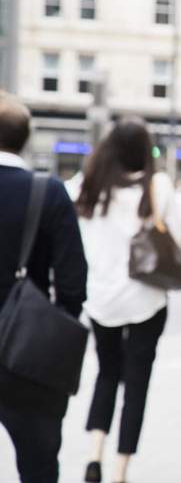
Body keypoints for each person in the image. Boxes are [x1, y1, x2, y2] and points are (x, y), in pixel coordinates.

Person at [74, 117, 181, 483]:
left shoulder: (87, 185)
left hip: (101, 299)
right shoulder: (157, 185)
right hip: (146, 299)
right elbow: (180, 242)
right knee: (137, 383)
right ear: (144, 150)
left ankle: (94, 456)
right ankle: (120, 470)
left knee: (107, 373)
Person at [0, 91, 88, 482]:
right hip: (28, 355)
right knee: (38, 467)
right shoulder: (47, 191)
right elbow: (73, 284)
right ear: (24, 138)